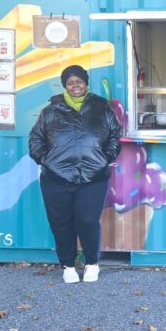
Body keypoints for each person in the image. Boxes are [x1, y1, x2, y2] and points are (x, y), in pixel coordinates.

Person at [29, 65, 122, 283]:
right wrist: (44, 159)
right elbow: (35, 138)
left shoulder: (101, 107)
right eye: (70, 82)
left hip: (93, 176)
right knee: (61, 222)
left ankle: (91, 263)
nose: (75, 86)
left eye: (79, 81)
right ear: (65, 86)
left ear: (86, 83)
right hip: (55, 178)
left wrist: (105, 158)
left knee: (88, 220)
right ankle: (68, 265)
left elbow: (114, 136)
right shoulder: (51, 110)